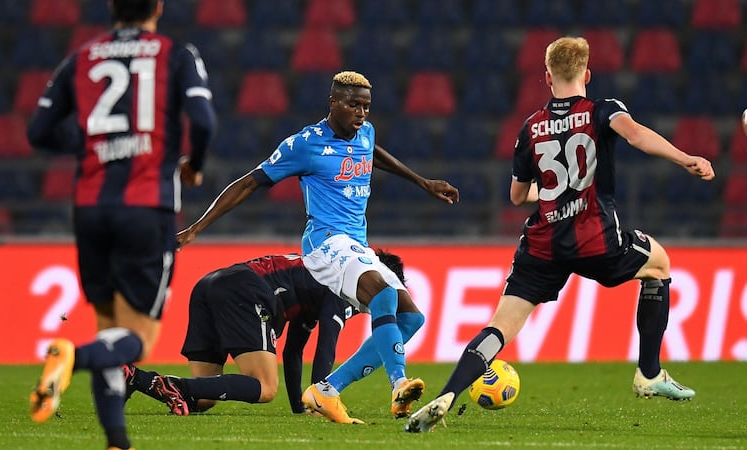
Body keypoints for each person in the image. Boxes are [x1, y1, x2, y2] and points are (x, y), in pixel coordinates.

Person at [405, 36, 715, 433]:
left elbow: (518, 195)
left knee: (500, 326)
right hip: (596, 239)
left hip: (543, 244)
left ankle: (447, 393)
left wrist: (550, 192)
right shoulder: (603, 111)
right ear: (586, 74)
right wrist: (685, 158)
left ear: (546, 77)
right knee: (659, 265)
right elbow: (636, 135)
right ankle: (649, 373)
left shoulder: (530, 127)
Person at [176, 71, 459, 423]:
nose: (361, 113)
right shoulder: (305, 144)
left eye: (366, 107)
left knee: (412, 317)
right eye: (353, 105)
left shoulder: (365, 134)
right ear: (333, 102)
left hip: (355, 243)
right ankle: (398, 382)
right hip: (324, 243)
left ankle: (327, 389)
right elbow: (249, 182)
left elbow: (373, 154)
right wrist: (194, 229)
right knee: (382, 293)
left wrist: (422, 182)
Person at [25, 0, 217, 449]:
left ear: (112, 7)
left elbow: (38, 131)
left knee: (109, 330)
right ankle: (71, 358)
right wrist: (194, 164)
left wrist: (93, 142)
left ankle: (117, 441)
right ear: (159, 7)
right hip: (145, 208)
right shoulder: (176, 53)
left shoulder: (83, 55)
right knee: (136, 341)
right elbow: (203, 121)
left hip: (90, 209)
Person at [122, 250, 408, 420]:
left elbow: (294, 350)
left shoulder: (325, 273)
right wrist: (322, 401)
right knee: (265, 387)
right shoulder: (347, 281)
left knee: (203, 398)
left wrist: (300, 406)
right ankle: (169, 384)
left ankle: (134, 378)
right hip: (245, 290)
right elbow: (326, 346)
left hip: (211, 284)